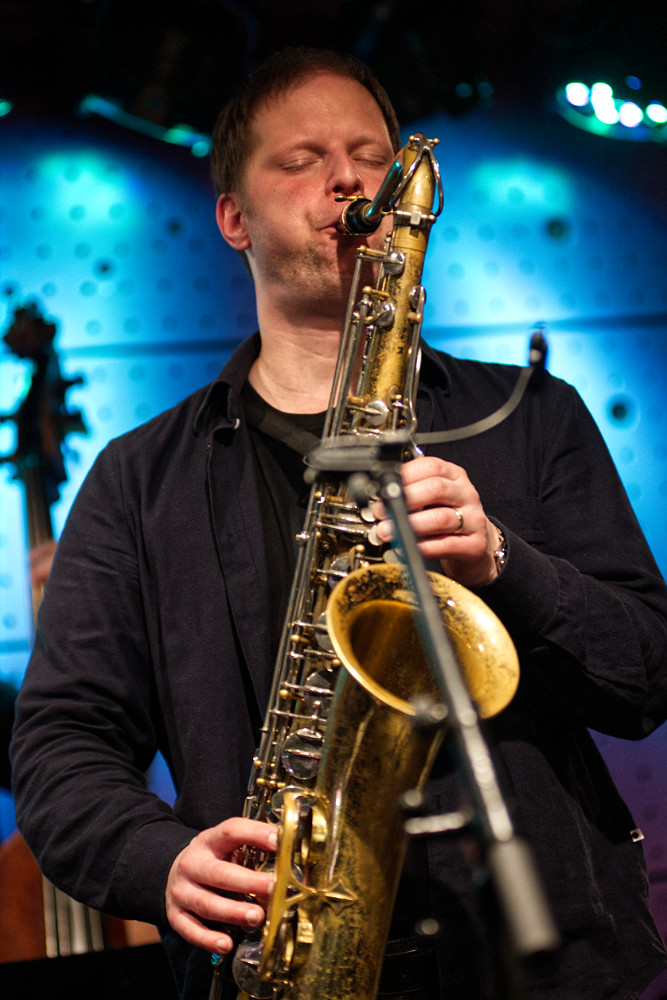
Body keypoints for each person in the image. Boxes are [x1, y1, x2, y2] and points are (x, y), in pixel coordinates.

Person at [10, 46, 667, 1000]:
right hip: (277, 965)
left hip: (543, 968)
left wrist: (502, 561)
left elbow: (645, 674)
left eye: (369, 156)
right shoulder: (136, 481)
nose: (350, 181)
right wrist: (162, 861)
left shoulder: (531, 415)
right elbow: (63, 744)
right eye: (301, 160)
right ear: (234, 218)